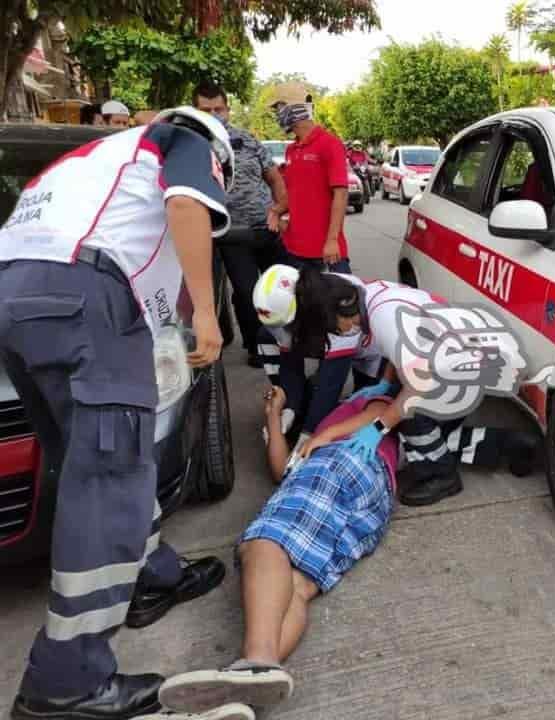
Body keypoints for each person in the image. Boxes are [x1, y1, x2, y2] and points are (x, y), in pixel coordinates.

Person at [0, 106, 232, 720]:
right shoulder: (180, 140)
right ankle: (66, 681)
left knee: (99, 458)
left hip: (18, 301)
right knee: (110, 474)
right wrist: (207, 315)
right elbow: (186, 205)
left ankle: (151, 572)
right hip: (85, 296)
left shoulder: (83, 163)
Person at [150, 384, 400, 718]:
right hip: (365, 494)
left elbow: (381, 415)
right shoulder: (325, 434)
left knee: (266, 543)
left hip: (340, 463)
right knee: (295, 587)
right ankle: (234, 695)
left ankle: (255, 664)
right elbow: (283, 469)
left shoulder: (370, 397)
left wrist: (325, 437)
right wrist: (273, 414)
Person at [290, 270, 542, 506]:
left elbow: (416, 388)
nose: (336, 333)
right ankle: (511, 445)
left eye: (331, 328)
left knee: (410, 418)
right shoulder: (371, 295)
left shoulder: (383, 319)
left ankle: (443, 475)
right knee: (419, 435)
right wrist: (385, 383)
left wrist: (376, 429)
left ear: (337, 313)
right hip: (462, 354)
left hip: (473, 366)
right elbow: (397, 349)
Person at [193, 80, 288, 368]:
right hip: (230, 234)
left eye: (218, 109)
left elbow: (274, 178)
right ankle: (256, 345)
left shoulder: (248, 140)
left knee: (281, 289)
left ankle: (284, 341)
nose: (213, 114)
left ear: (228, 110)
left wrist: (280, 210)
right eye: (205, 110)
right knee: (247, 293)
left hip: (266, 228)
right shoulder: (190, 146)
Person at [253, 264, 379, 450]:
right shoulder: (284, 310)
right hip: (319, 333)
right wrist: (290, 408)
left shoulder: (340, 309)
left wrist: (309, 435)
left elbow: (331, 384)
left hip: (376, 347)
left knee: (367, 408)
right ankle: (297, 407)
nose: (280, 330)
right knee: (265, 336)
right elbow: (289, 364)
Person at [269, 83, 351, 273]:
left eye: (279, 108)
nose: (277, 115)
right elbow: (294, 193)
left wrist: (331, 240)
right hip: (294, 251)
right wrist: (276, 212)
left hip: (327, 252)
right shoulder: (291, 150)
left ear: (294, 108)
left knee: (342, 301)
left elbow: (341, 194)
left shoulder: (330, 144)